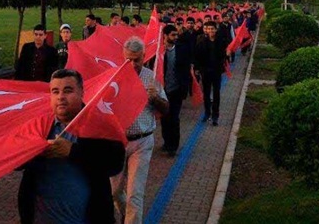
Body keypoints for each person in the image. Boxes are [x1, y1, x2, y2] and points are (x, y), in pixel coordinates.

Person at [18, 69, 125, 224]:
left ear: (82, 92)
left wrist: (72, 151)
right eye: (55, 91)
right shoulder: (38, 127)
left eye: (68, 91)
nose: (61, 97)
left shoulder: (99, 124)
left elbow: (114, 164)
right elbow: (15, 162)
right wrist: (33, 150)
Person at [112, 37, 168, 224]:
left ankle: (132, 219)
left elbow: (166, 108)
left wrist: (155, 99)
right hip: (118, 142)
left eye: (137, 59)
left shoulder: (151, 78)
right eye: (129, 59)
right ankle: (125, 215)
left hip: (142, 141)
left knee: (135, 194)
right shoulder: (114, 78)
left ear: (144, 56)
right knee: (114, 191)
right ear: (123, 57)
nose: (133, 64)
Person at [159, 25, 193, 156]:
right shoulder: (159, 51)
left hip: (176, 90)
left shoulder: (182, 50)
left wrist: (185, 88)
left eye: (176, 35)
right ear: (165, 36)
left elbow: (185, 71)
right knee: (164, 118)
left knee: (174, 118)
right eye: (173, 35)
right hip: (162, 91)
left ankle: (173, 146)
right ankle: (166, 142)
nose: (175, 37)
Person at [193, 21, 230, 126]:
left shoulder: (221, 41)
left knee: (216, 93)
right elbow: (197, 56)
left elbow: (224, 55)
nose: (210, 31)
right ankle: (207, 112)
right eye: (208, 29)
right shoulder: (201, 41)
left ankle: (215, 115)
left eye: (212, 29)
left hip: (217, 71)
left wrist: (227, 53)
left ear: (215, 29)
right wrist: (197, 68)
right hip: (206, 71)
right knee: (206, 93)